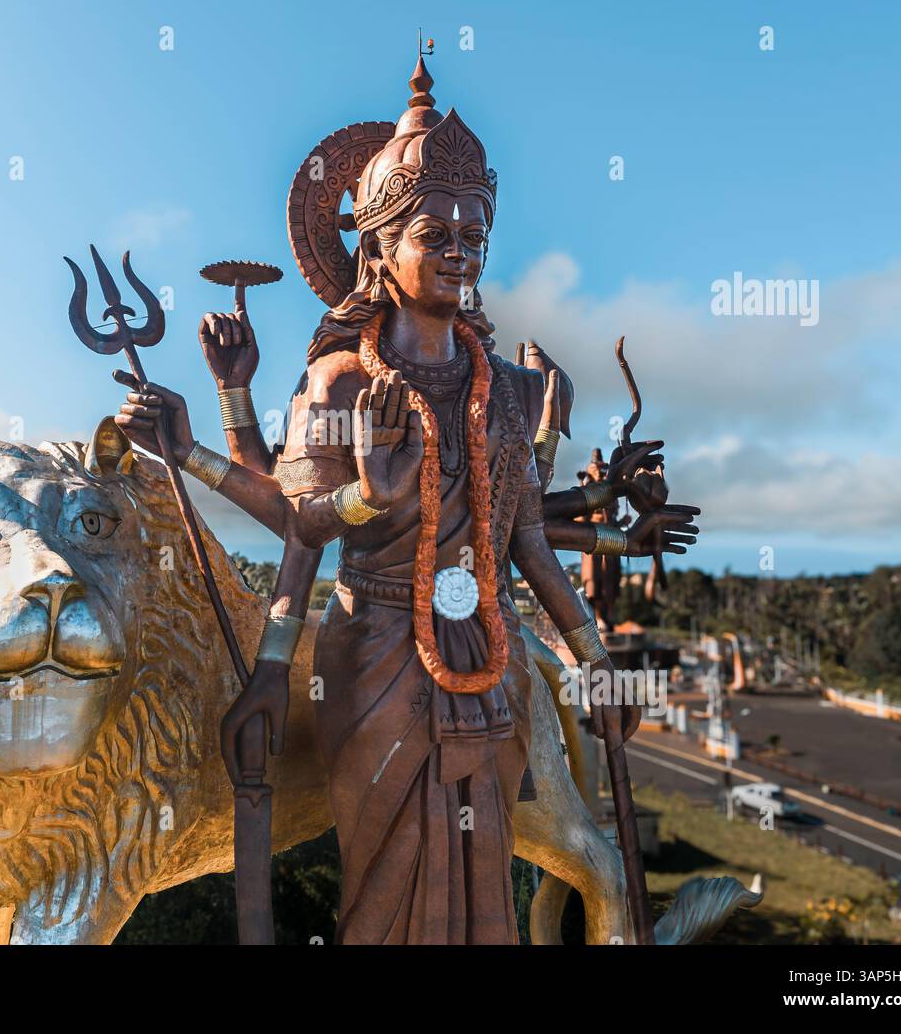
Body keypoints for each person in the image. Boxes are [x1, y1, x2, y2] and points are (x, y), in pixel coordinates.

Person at [116, 57, 699, 944]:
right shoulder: (339, 378)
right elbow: (295, 528)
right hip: (377, 652)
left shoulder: (505, 389)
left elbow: (528, 547)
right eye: (438, 231)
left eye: (478, 233)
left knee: (486, 887)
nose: (463, 250)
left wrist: (592, 657)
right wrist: (276, 661)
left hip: (491, 658)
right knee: (384, 892)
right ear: (380, 246)